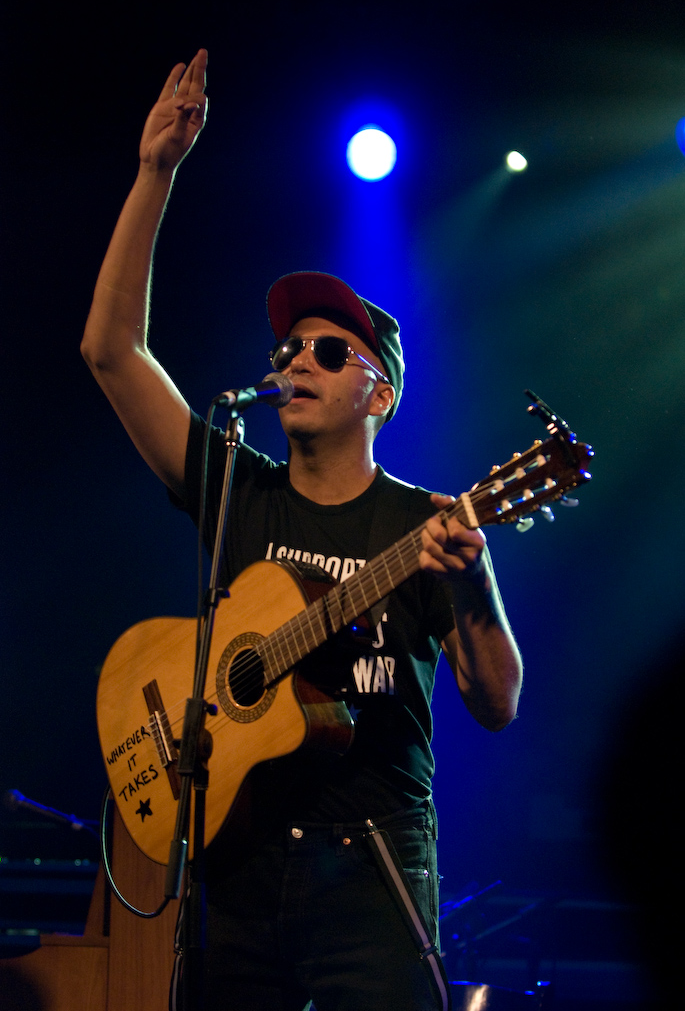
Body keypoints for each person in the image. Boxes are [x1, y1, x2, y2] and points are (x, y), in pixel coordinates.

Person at [81, 49, 523, 1011]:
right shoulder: (241, 489)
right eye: (288, 348)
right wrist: (155, 172)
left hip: (372, 870)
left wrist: (471, 583)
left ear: (381, 394)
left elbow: (495, 704)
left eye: (328, 350)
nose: (296, 361)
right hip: (236, 868)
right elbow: (111, 352)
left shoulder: (422, 523)